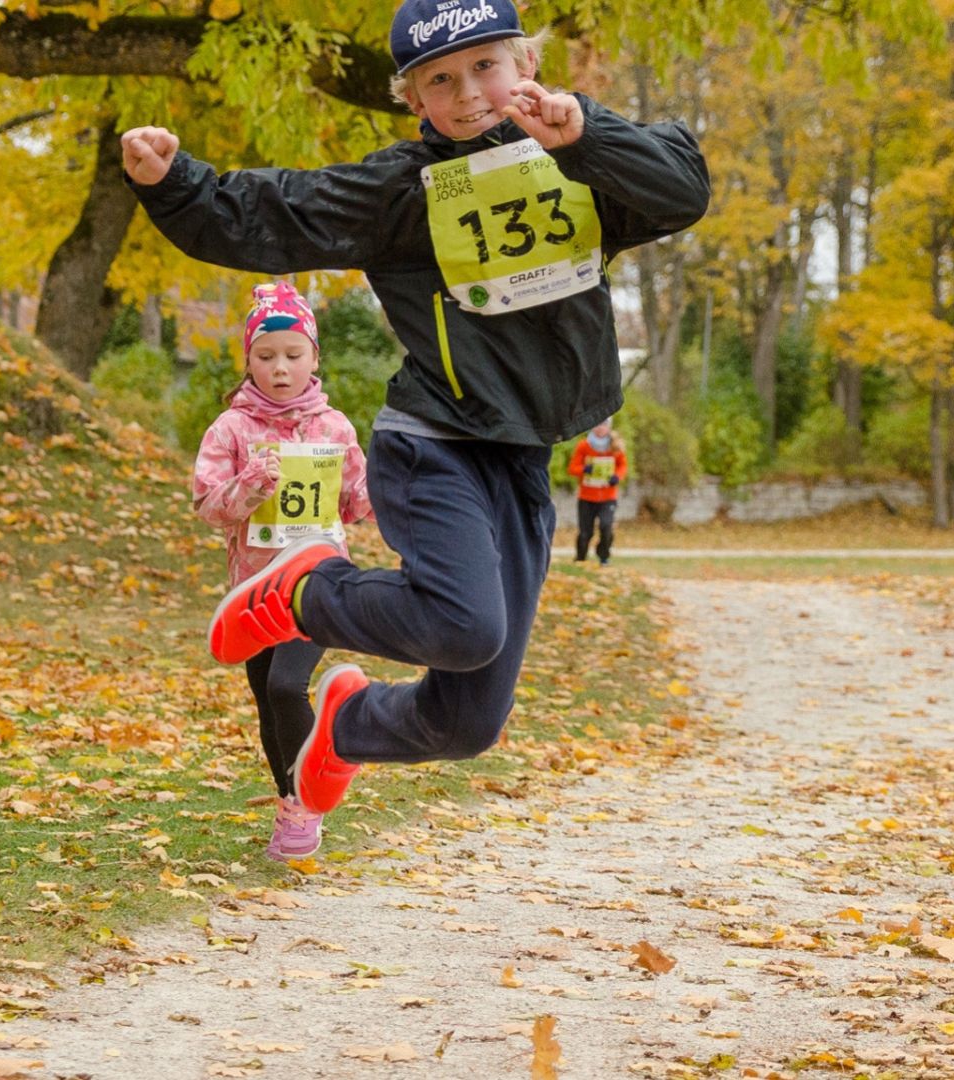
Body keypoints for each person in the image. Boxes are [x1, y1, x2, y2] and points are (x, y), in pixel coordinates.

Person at [120, 0, 709, 815]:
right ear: (414, 99)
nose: (467, 94)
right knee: (466, 628)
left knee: (467, 723)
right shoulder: (403, 190)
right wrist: (176, 185)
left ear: (526, 67)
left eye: (484, 68)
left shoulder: (580, 161)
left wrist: (586, 136)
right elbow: (281, 212)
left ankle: (345, 725)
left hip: (519, 455)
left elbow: (683, 190)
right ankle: (301, 594)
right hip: (433, 444)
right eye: (440, 80)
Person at [193, 282, 372, 859]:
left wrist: (395, 492)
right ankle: (293, 807)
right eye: (266, 356)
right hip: (253, 592)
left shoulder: (335, 428)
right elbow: (207, 505)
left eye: (294, 355)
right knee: (269, 700)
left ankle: (315, 789)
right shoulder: (231, 430)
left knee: (286, 683)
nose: (280, 368)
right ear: (248, 359)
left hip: (317, 581)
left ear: (315, 358)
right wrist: (249, 487)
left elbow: (359, 503)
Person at [568, 419, 626, 564]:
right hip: (587, 497)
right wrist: (584, 470)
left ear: (609, 427)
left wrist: (617, 477)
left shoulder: (615, 446)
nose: (600, 428)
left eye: (604, 425)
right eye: (597, 424)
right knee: (585, 532)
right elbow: (572, 468)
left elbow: (623, 466)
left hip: (608, 496)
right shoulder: (584, 446)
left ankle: (604, 556)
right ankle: (580, 558)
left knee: (606, 526)